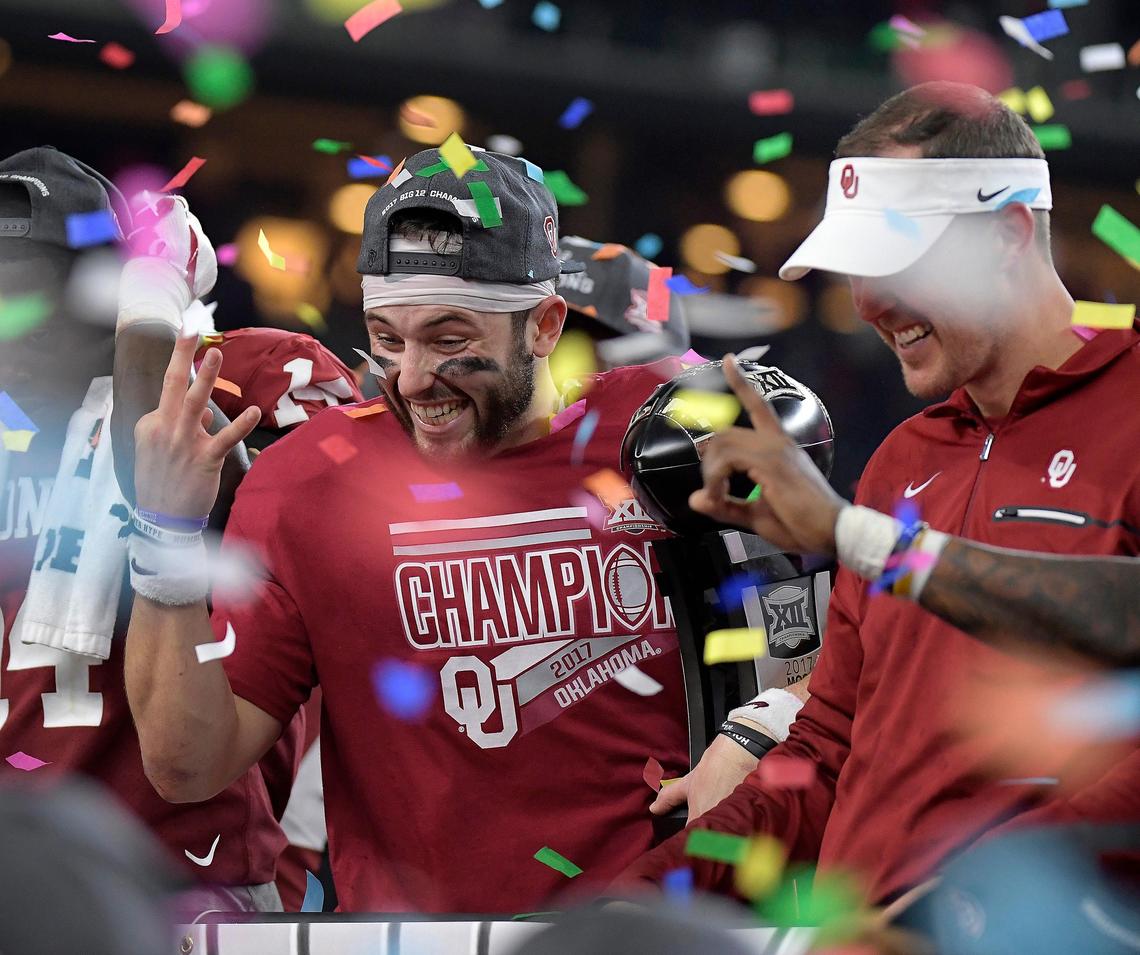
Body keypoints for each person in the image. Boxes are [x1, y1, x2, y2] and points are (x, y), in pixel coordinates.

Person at [124, 146, 694, 912]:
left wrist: (756, 736)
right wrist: (163, 530)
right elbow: (187, 764)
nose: (413, 376)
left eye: (450, 339)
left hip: (652, 937)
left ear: (545, 325)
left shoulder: (663, 431)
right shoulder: (310, 481)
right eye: (388, 338)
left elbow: (815, 663)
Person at [618, 82, 1140, 904]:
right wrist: (649, 894)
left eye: (898, 260)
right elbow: (828, 748)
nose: (865, 301)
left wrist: (960, 905)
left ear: (1006, 234)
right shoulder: (905, 457)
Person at [0, 146, 354, 917]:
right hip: (21, 870)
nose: (8, 336)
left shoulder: (258, 376)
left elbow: (164, 462)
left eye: (26, 302)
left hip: (185, 881)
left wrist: (153, 311)